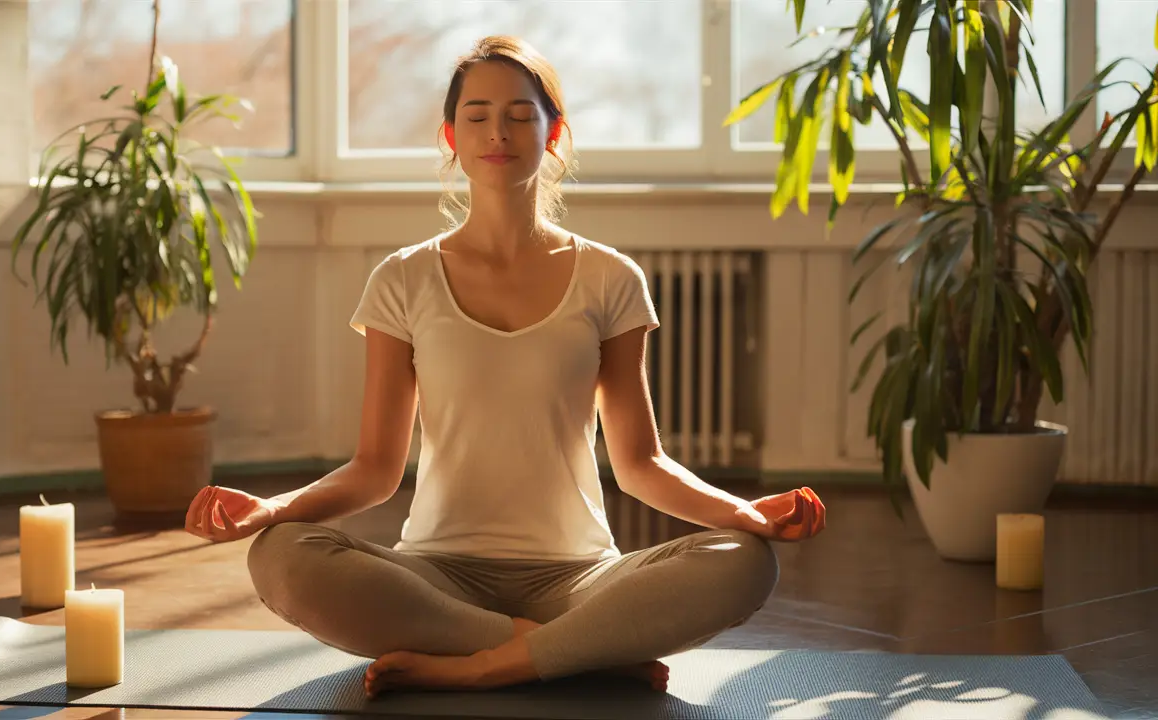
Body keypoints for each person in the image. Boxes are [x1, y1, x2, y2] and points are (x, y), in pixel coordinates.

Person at [185, 35, 826, 699]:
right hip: (437, 578)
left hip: (581, 581)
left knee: (745, 562)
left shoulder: (611, 278)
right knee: (282, 557)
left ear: (554, 134)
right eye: (477, 115)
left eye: (521, 114)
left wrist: (746, 516)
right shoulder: (401, 279)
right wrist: (270, 508)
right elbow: (374, 470)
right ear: (451, 136)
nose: (498, 131)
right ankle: (576, 655)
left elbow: (642, 466)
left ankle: (484, 662)